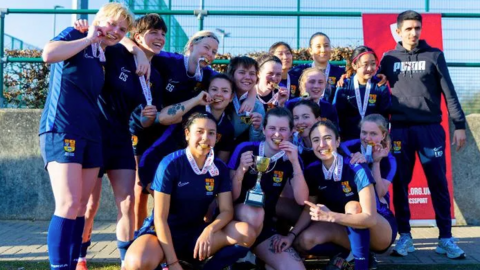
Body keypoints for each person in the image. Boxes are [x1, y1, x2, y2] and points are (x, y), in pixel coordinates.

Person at [39, 3, 134, 270]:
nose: (115, 32)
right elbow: (48, 54)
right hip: (62, 128)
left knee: (81, 205)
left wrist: (134, 50)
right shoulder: (75, 33)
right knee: (68, 203)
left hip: (92, 134)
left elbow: (133, 46)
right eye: (111, 24)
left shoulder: (104, 54)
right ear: (98, 20)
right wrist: (89, 37)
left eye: (122, 29)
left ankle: (73, 261)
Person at [72, 14, 166, 269]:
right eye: (154, 33)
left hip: (122, 138)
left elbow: (147, 119)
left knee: (127, 202)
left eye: (163, 34)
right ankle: (80, 256)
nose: (160, 38)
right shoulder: (118, 52)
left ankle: (126, 261)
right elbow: (112, 39)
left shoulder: (154, 75)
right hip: (94, 135)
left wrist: (149, 118)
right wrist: (134, 50)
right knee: (89, 204)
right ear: (137, 36)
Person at [378, 10, 467, 259]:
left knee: (438, 183)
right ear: (398, 31)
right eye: (408, 28)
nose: (413, 32)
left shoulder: (435, 55)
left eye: (417, 28)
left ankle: (446, 239)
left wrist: (458, 124)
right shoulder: (388, 58)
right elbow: (376, 92)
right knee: (400, 185)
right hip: (400, 132)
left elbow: (449, 92)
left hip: (430, 130)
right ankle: (405, 237)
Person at [124, 113, 256, 270]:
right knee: (137, 262)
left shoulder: (219, 168)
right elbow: (160, 218)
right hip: (162, 233)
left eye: (211, 133)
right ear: (187, 134)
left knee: (245, 232)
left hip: (196, 233)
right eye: (199, 131)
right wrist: (172, 263)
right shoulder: (170, 164)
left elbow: (227, 211)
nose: (205, 138)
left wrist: (209, 230)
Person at [276, 120, 396, 270]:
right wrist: (291, 235)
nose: (322, 144)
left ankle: (361, 264)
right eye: (315, 140)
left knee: (352, 206)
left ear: (338, 141)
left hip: (379, 230)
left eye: (327, 138)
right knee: (304, 241)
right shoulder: (313, 170)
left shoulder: (356, 168)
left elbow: (370, 218)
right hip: (342, 224)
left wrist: (331, 216)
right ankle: (350, 254)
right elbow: (309, 209)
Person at [228, 107, 309, 270]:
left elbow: (301, 199)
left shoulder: (292, 157)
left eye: (283, 129)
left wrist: (295, 163)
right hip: (236, 220)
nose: (277, 134)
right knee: (256, 212)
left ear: (292, 131)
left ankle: (259, 259)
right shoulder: (245, 149)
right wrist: (241, 171)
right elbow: (230, 197)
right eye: (272, 128)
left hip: (264, 225)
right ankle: (239, 256)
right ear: (264, 129)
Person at [138, 74, 236, 195]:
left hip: (188, 172)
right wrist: (196, 100)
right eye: (214, 89)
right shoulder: (193, 109)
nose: (219, 94)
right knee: (169, 208)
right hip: (158, 161)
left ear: (231, 97)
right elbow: (163, 118)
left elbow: (220, 162)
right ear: (206, 92)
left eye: (225, 91)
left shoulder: (227, 127)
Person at [333, 46, 391, 141]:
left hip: (373, 141)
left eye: (373, 64)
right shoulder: (344, 86)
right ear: (354, 65)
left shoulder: (381, 86)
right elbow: (337, 115)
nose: (370, 68)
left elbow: (384, 117)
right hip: (348, 140)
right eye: (365, 64)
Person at [290, 32, 345, 103]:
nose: (323, 50)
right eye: (318, 46)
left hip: (330, 113)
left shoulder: (340, 72)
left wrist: (347, 75)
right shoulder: (299, 71)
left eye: (326, 45)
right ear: (310, 50)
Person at [226, 56, 265, 147]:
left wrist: (257, 128)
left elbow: (255, 142)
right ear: (232, 74)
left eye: (252, 73)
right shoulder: (222, 95)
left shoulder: (257, 106)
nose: (247, 77)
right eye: (242, 72)